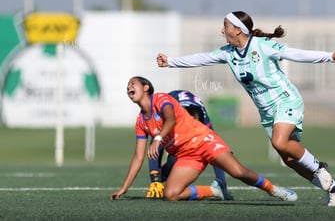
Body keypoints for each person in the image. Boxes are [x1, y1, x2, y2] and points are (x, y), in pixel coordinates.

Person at [156, 11, 335, 206]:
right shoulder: (228, 53)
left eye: (226, 26)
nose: (222, 30)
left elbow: (294, 53)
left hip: (285, 100)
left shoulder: (261, 45)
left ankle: (319, 167)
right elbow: (202, 58)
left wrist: (329, 57)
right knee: (290, 159)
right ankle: (334, 188)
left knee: (279, 142)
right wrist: (170, 62)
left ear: (238, 30)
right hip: (266, 112)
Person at [110, 76, 298, 202]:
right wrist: (124, 188)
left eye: (132, 83)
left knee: (239, 172)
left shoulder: (160, 98)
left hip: (203, 140)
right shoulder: (141, 121)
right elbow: (138, 157)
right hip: (186, 156)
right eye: (127, 86)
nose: (129, 87)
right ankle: (213, 191)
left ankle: (273, 189)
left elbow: (171, 119)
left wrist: (158, 137)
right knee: (171, 194)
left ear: (146, 88)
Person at [145, 89, 232, 200]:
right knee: (169, 149)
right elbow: (156, 146)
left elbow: (216, 151)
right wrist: (155, 178)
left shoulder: (204, 121)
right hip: (172, 105)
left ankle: (165, 174)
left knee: (186, 154)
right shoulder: (171, 116)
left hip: (187, 106)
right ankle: (162, 175)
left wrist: (221, 181)